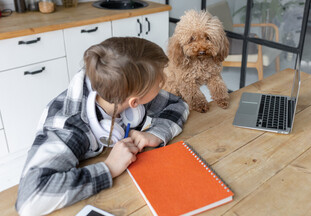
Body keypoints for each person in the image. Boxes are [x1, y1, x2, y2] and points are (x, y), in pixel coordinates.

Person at [15, 37, 189, 216]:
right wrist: (109, 168)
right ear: (134, 102)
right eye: (160, 83)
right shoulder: (71, 127)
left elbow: (178, 105)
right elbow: (30, 199)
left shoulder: (121, 87)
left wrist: (157, 133)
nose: (163, 84)